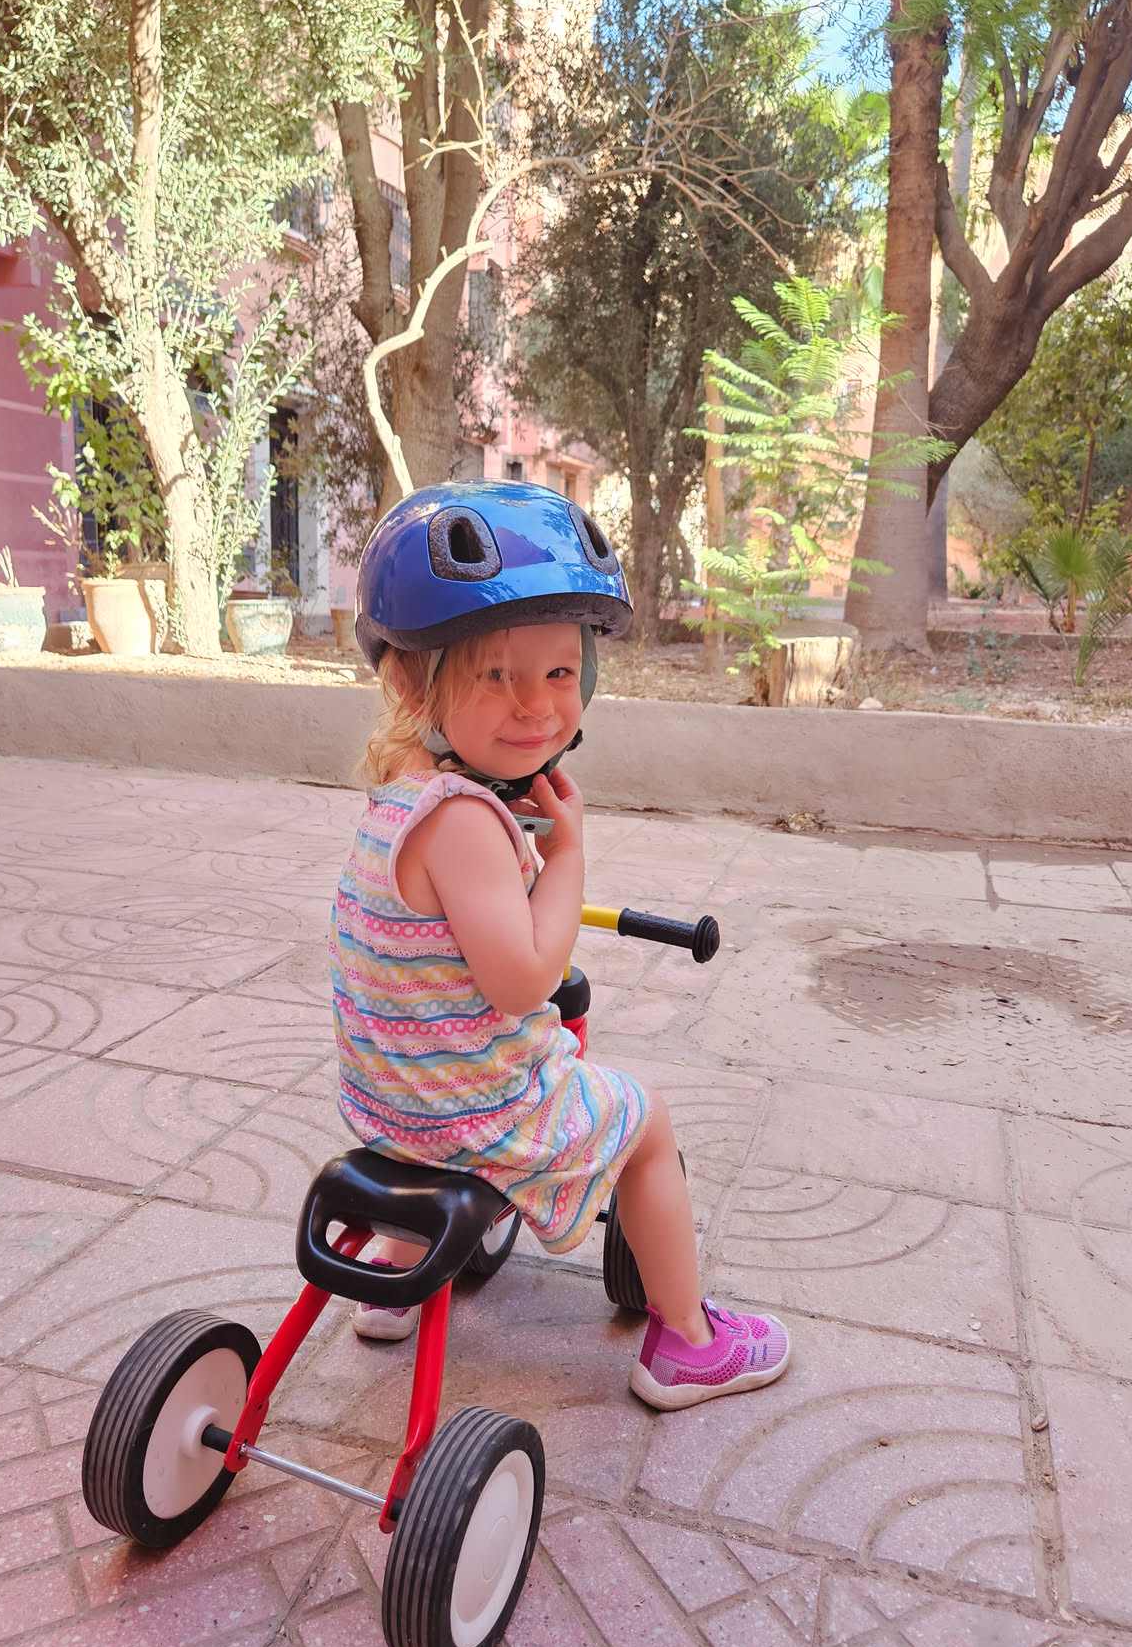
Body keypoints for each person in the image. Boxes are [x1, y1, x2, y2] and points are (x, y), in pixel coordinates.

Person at [329, 480, 790, 1411]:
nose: (536, 706)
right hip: (471, 1115)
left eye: (559, 674)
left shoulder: (401, 795)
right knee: (646, 1124)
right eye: (496, 675)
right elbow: (523, 981)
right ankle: (689, 1344)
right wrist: (570, 850)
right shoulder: (466, 821)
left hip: (386, 1103)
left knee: (456, 1079)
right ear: (416, 683)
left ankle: (395, 1281)